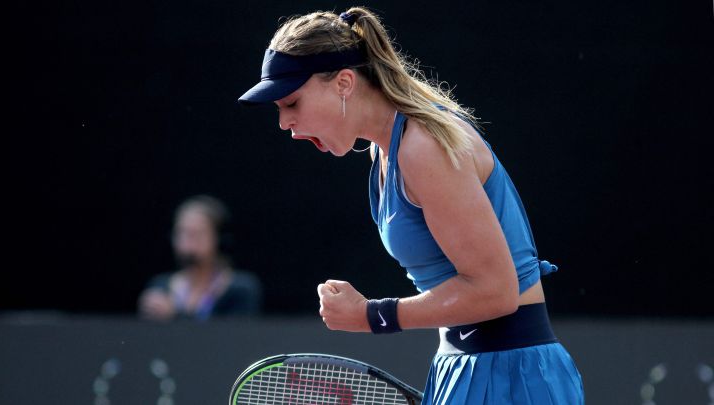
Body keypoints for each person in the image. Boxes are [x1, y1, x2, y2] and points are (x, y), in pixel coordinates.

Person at [238, 7, 584, 404]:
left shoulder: (422, 148)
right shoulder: (384, 152)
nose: (284, 123)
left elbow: (497, 291)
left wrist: (373, 315)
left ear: (344, 83)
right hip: (466, 365)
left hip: (511, 375)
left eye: (292, 103)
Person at [138, 195, 261, 321]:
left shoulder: (240, 289)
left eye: (197, 234)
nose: (188, 241)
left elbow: (234, 336)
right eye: (182, 233)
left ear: (218, 238)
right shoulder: (160, 286)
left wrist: (176, 316)